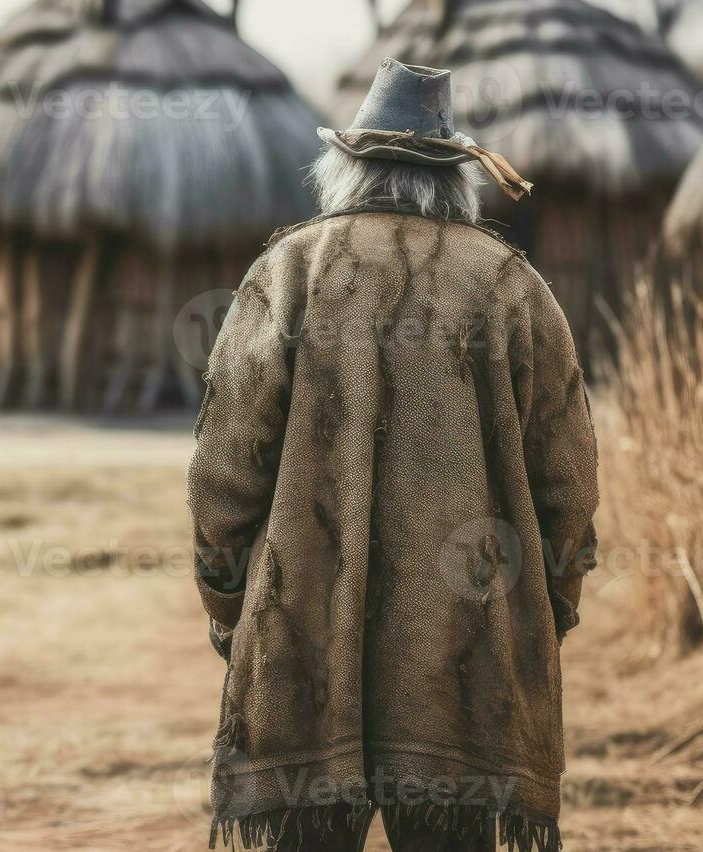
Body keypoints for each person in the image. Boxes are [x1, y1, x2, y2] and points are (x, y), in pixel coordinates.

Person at [189, 59, 598, 852]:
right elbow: (569, 483)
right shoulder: (513, 288)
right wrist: (546, 613)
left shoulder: (289, 273)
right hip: (468, 665)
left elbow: (224, 476)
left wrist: (231, 612)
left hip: (302, 654)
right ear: (456, 181)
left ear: (344, 168)